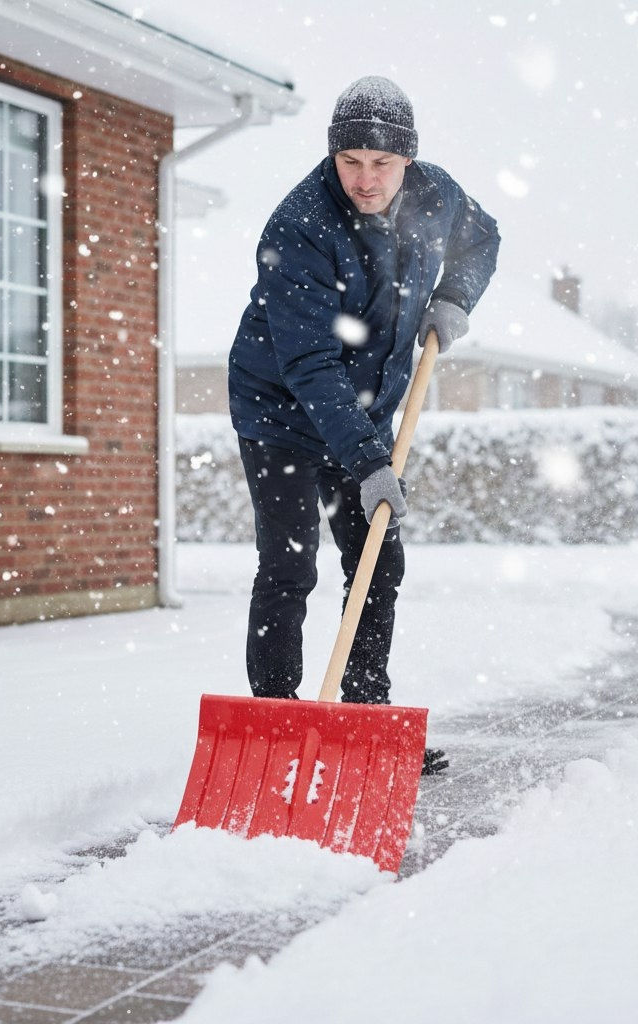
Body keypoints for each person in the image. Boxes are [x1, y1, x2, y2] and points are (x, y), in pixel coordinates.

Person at [228, 76, 500, 768]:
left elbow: (483, 238)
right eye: (350, 161)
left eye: (381, 164)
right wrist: (369, 461)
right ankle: (275, 722)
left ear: (408, 160)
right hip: (282, 411)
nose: (364, 179)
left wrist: (454, 300)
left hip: (365, 408)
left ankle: (363, 716)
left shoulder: (436, 195)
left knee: (379, 560)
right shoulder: (301, 225)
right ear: (333, 156)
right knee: (288, 566)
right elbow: (310, 363)